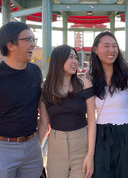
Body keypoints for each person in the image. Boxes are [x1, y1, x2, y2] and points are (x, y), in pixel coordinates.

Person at [0, 21, 49, 178]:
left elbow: (43, 107)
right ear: (11, 45)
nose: (33, 45)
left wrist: (35, 142)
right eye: (28, 40)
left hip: (32, 147)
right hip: (0, 150)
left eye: (34, 40)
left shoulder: (35, 72)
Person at [87, 31, 128, 178]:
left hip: (127, 134)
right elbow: (89, 114)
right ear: (95, 49)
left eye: (114, 46)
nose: (111, 50)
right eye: (106, 46)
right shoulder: (89, 76)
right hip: (101, 136)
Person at [41, 44, 96, 178]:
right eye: (70, 57)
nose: (75, 62)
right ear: (58, 60)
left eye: (76, 58)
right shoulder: (45, 88)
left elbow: (92, 120)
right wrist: (36, 149)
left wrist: (90, 155)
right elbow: (44, 122)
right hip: (55, 146)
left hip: (81, 144)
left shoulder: (85, 85)